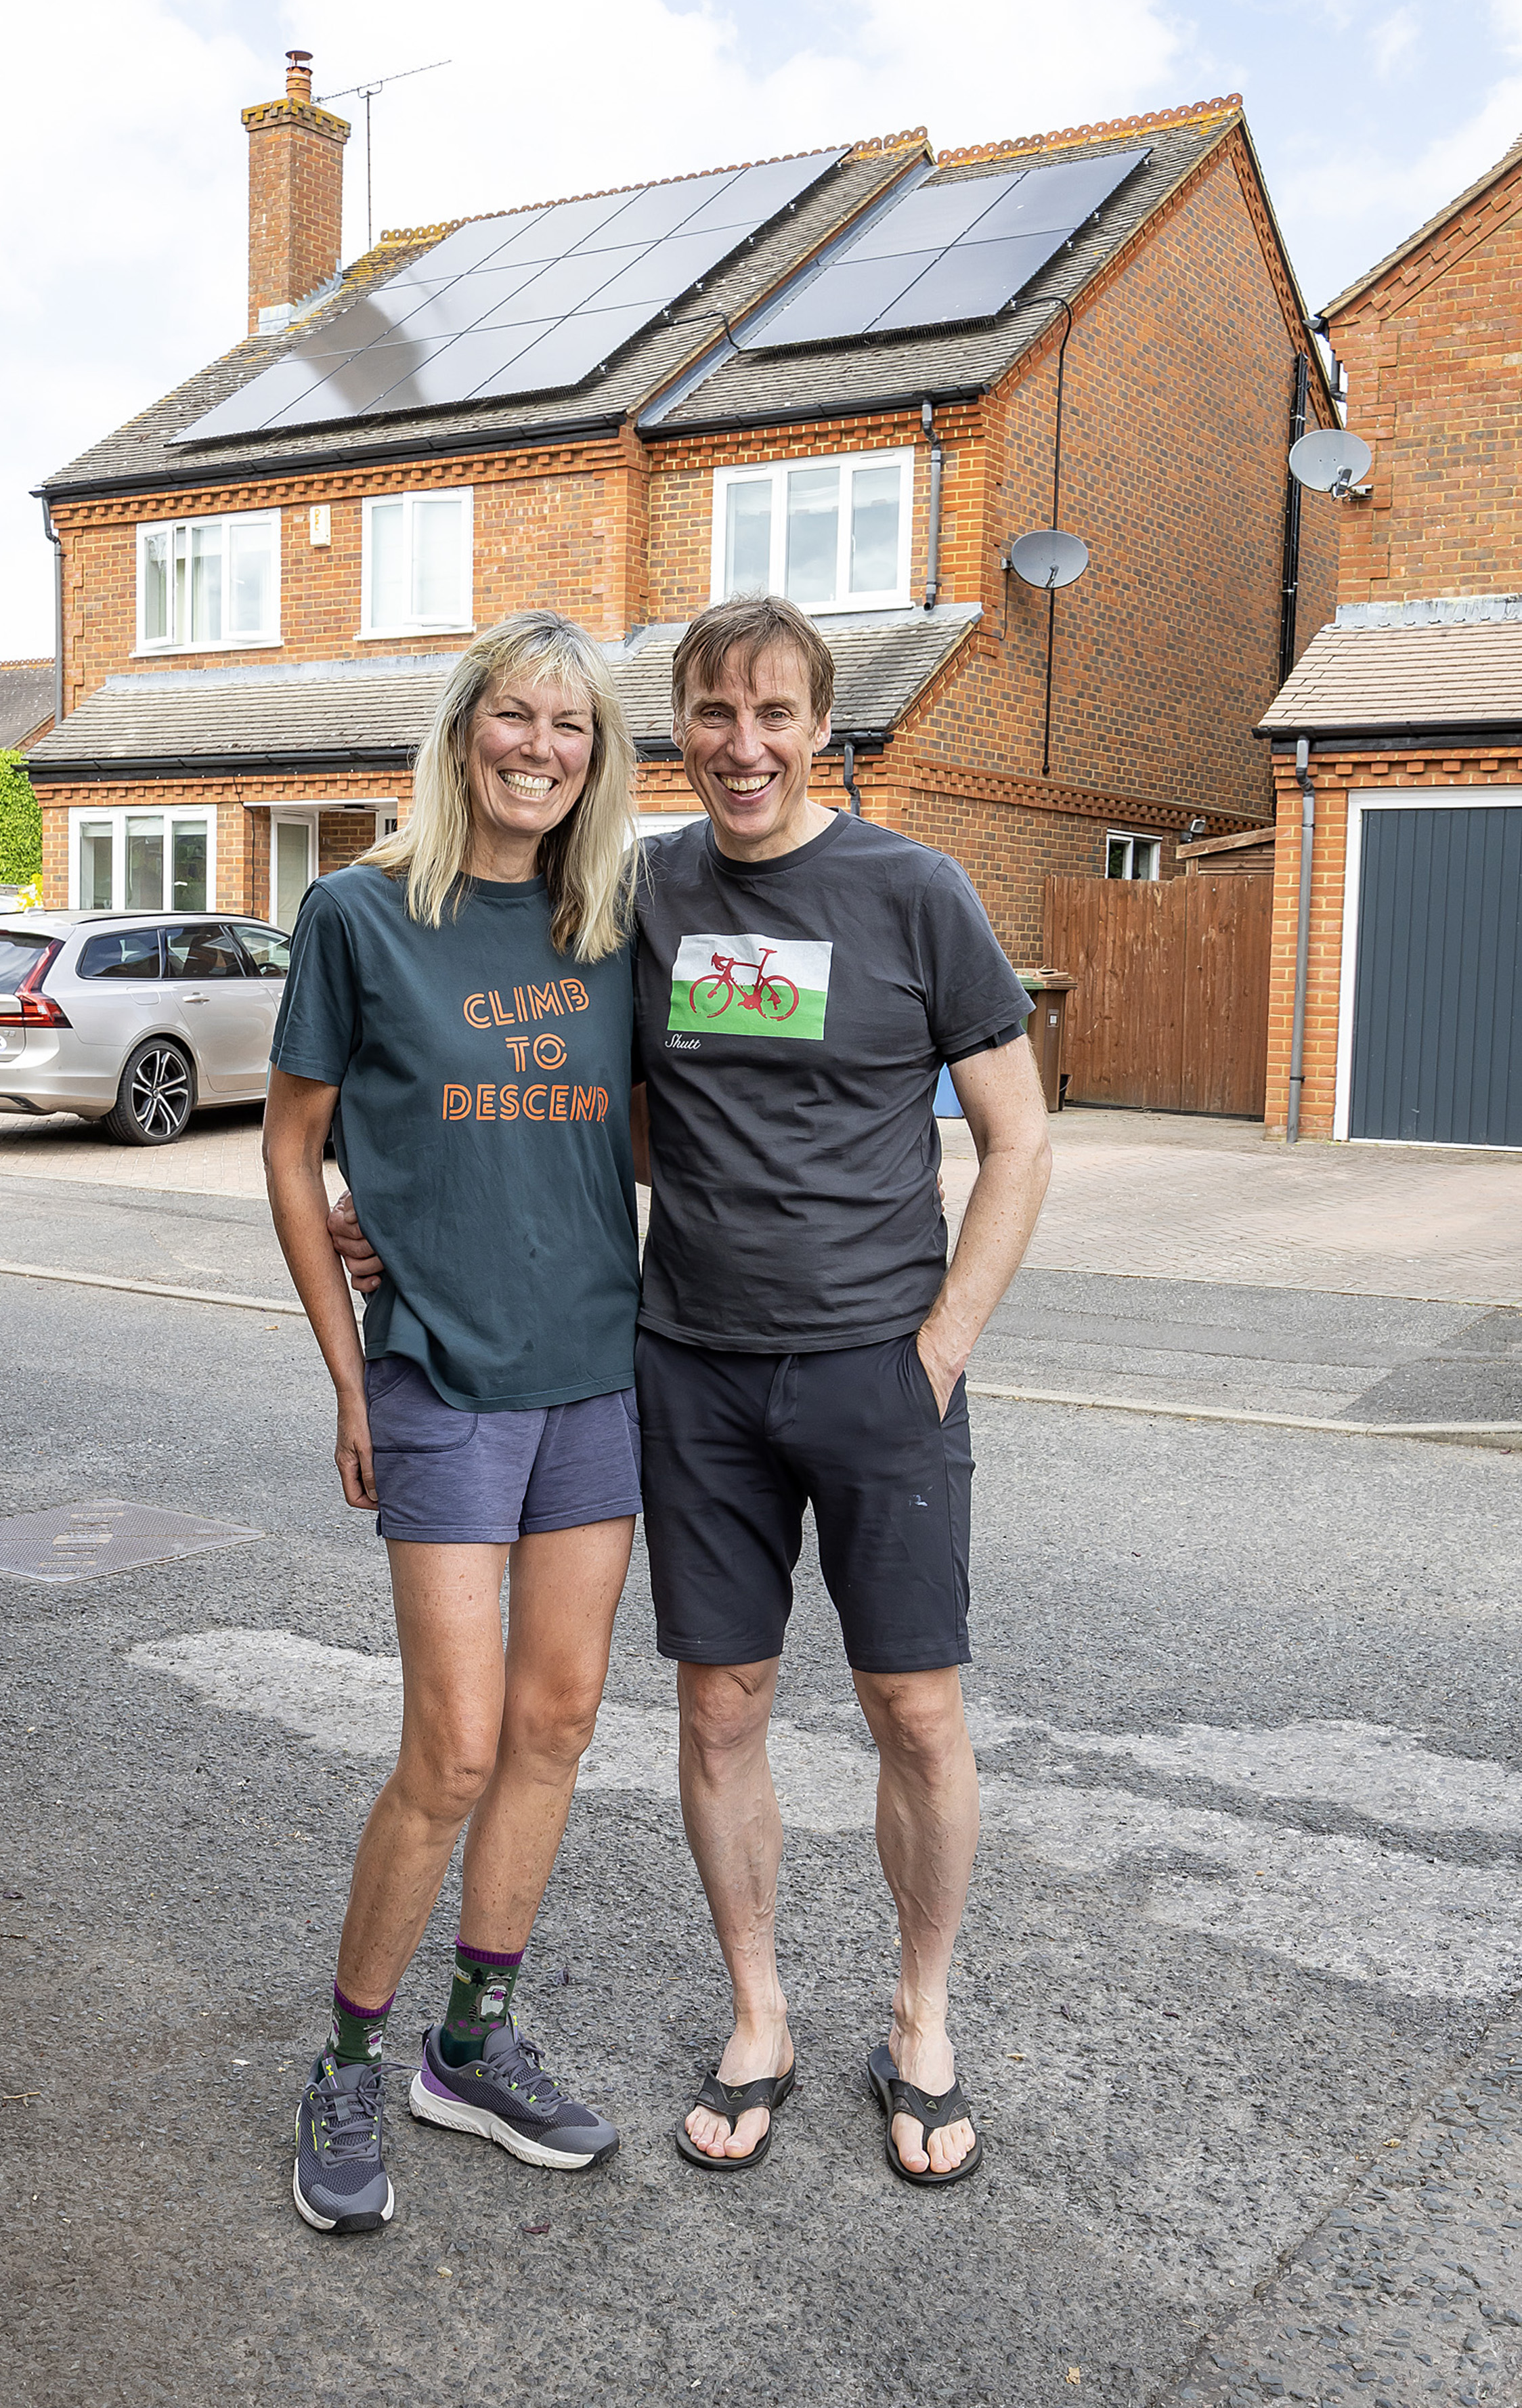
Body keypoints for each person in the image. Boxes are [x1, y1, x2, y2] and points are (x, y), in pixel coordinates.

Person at [333, 594, 1052, 2191]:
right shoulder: (635, 890)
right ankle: (757, 2014)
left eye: (774, 715)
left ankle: (919, 2021)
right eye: (712, 716)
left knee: (914, 1713)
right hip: (691, 1370)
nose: (743, 747)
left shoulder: (913, 891)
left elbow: (1017, 1138)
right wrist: (382, 1200)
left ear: (819, 729)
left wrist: (938, 1347)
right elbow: (559, 1086)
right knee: (720, 1708)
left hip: (880, 1368)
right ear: (677, 732)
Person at [262, 609, 644, 2235]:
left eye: (569, 726)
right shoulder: (358, 913)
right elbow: (292, 1151)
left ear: (596, 755)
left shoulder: (614, 925)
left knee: (557, 1725)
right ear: (463, 728)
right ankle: (346, 2057)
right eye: (514, 717)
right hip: (436, 1376)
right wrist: (347, 1370)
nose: (539, 749)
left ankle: (466, 2049)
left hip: (598, 1373)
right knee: (454, 1745)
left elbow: (639, 1140)